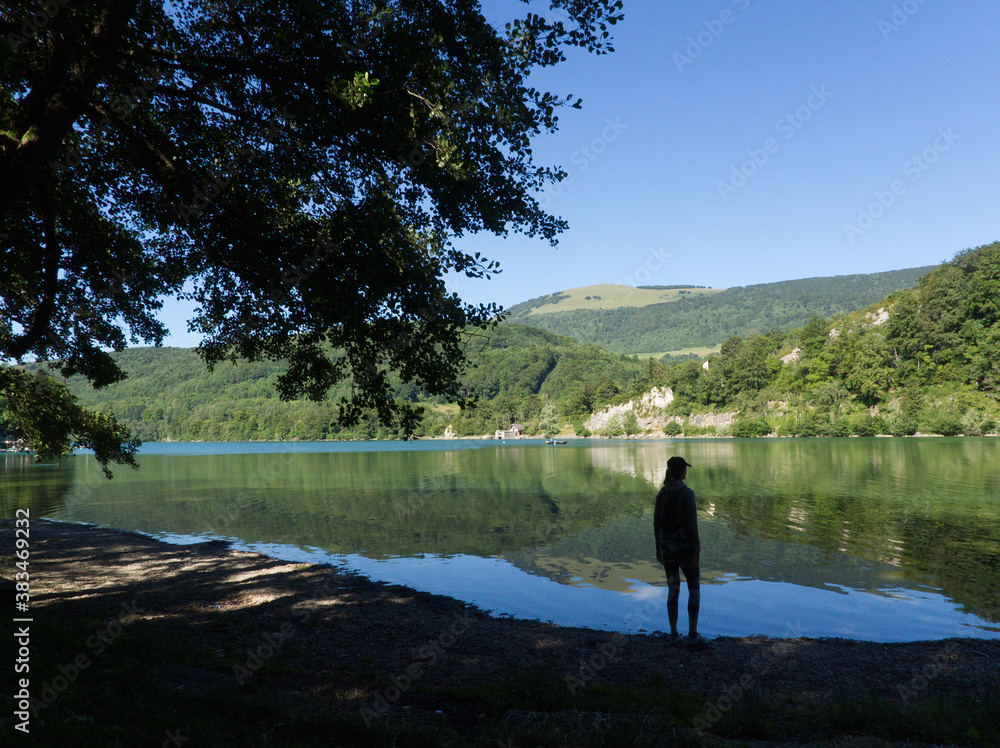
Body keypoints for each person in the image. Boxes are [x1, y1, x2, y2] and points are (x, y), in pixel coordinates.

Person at [654, 455, 707, 648]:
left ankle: (673, 633)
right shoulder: (687, 493)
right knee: (694, 588)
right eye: (685, 468)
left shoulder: (661, 493)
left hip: (666, 547)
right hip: (684, 548)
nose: (686, 471)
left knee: (673, 589)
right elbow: (692, 526)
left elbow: (656, 523)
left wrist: (657, 547)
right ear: (681, 471)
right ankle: (692, 635)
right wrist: (697, 550)